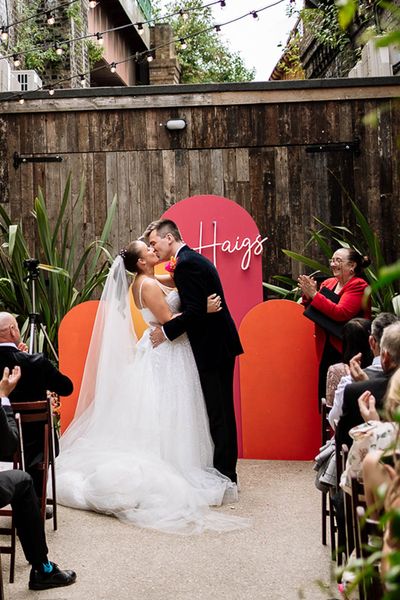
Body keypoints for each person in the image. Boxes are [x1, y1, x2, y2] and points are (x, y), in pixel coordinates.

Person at [56, 241, 247, 533]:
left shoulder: (147, 279)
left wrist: (179, 274)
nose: (152, 250)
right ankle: (174, 466)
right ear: (142, 262)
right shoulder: (147, 286)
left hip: (169, 348)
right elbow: (169, 320)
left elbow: (171, 279)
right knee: (170, 409)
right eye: (147, 249)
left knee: (173, 409)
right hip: (168, 352)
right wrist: (203, 310)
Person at [145, 219, 243, 487]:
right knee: (218, 411)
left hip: (213, 346)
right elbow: (198, 307)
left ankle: (226, 475)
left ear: (169, 238)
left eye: (154, 243)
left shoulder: (187, 263)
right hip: (216, 344)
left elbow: (195, 313)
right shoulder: (188, 260)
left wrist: (164, 334)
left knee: (219, 413)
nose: (153, 248)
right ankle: (223, 470)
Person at [0, 366, 76, 591]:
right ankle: (42, 569)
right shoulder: (34, 362)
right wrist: (3, 397)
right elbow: (8, 444)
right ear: (14, 330)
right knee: (23, 481)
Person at [0, 312, 73, 499]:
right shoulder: (36, 363)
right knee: (39, 439)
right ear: (12, 330)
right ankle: (35, 500)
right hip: (33, 446)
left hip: (2, 440)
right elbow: (66, 388)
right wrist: (26, 359)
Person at [298, 248, 371, 403]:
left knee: (346, 397)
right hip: (326, 346)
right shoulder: (328, 283)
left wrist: (315, 295)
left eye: (338, 260)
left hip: (348, 349)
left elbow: (341, 312)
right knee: (326, 395)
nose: (333, 264)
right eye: (332, 260)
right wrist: (307, 295)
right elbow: (315, 311)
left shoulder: (359, 285)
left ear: (352, 266)